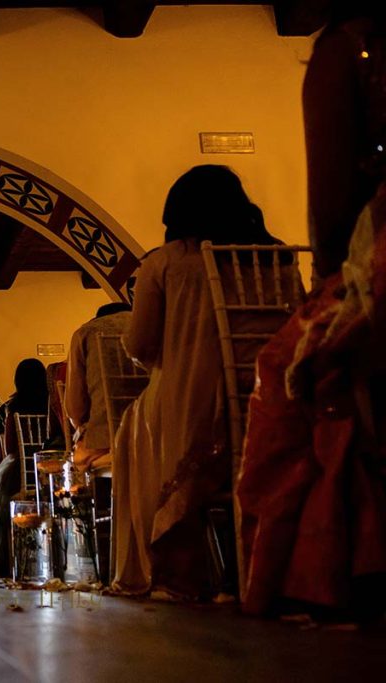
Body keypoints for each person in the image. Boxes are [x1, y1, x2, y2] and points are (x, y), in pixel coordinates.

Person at [238, 4, 386, 620]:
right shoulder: (266, 255)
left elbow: (331, 207)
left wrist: (331, 281)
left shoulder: (350, 45)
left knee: (292, 365)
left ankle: (340, 565)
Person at [111, 165, 286, 600]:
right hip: (269, 397)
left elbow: (141, 345)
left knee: (132, 427)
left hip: (193, 401)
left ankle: (172, 568)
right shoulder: (274, 254)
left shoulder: (164, 262)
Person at [0, 359, 51, 576]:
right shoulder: (52, 402)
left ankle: (7, 561)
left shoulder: (14, 408)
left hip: (20, 475)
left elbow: (11, 448)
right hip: (47, 474)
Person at [65, 303, 133, 472]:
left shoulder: (86, 333)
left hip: (105, 441)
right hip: (160, 434)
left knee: (77, 460)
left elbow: (75, 410)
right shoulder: (156, 327)